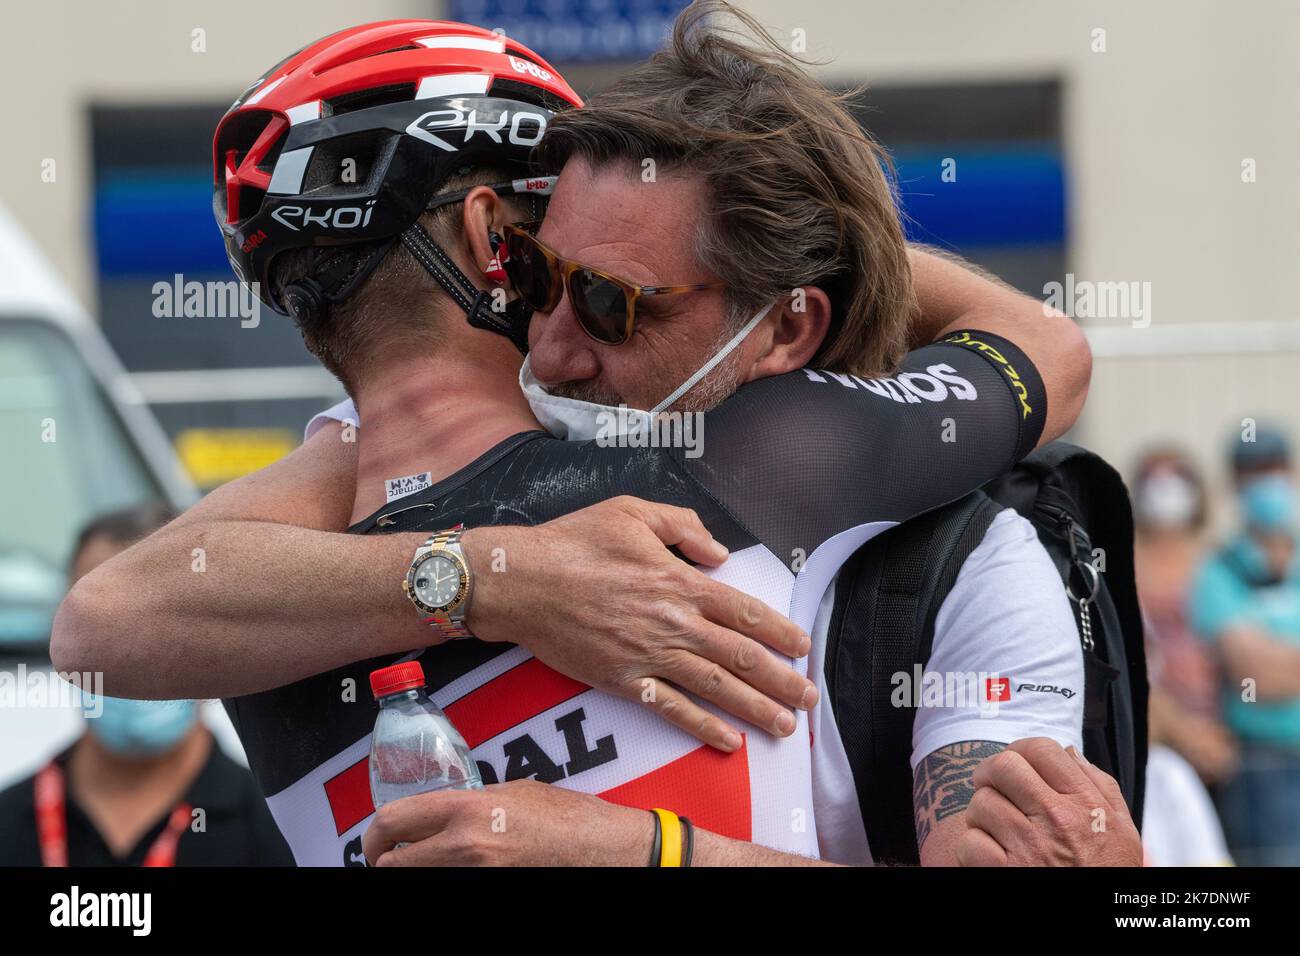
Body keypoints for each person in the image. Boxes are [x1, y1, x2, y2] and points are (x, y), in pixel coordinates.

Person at [55, 8, 1095, 866]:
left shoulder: (265, 594)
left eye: (607, 296)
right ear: (492, 243)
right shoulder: (761, 455)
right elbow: (1040, 343)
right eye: (550, 269)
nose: (556, 345)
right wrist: (501, 577)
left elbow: (98, 623)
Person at [0, 505, 293, 867]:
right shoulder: (9, 822)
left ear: (211, 636)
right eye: (95, 620)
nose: (128, 651)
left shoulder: (282, 835)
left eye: (160, 619)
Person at [1190, 423, 1300, 866]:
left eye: (1272, 468)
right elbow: (1257, 676)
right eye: (1254, 472)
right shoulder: (1218, 570)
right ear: (1235, 483)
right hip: (1264, 768)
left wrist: (1276, 658)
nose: (1265, 482)